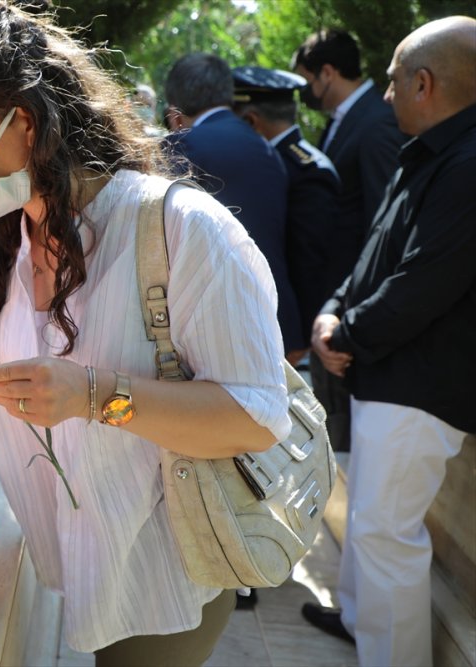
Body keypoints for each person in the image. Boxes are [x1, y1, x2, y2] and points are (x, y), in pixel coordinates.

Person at [0, 3, 291, 665]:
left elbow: (254, 416)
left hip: (168, 572)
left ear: (25, 120)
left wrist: (95, 395)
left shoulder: (183, 230)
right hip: (76, 569)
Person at [302, 16, 476, 667]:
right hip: (391, 371)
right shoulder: (433, 148)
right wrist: (333, 311)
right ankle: (357, 618)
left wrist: (347, 332)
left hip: (420, 383)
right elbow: (379, 250)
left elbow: (426, 278)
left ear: (425, 83)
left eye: (395, 80)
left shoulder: (466, 162)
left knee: (384, 533)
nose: (384, 95)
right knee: (372, 527)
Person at [292, 28, 406, 452]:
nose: (305, 93)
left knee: (353, 452)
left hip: (352, 317)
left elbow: (385, 226)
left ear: (328, 72)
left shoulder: (377, 123)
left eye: (307, 81)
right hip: (335, 305)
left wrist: (355, 321)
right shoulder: (348, 121)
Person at [162, 53, 304, 363]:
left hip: (220, 320)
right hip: (275, 313)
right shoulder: (267, 147)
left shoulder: (180, 146)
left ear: (176, 107)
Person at [232, 66, 342, 356]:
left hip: (297, 339)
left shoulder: (306, 170)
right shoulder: (282, 162)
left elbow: (309, 264)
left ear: (251, 121)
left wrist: (299, 340)